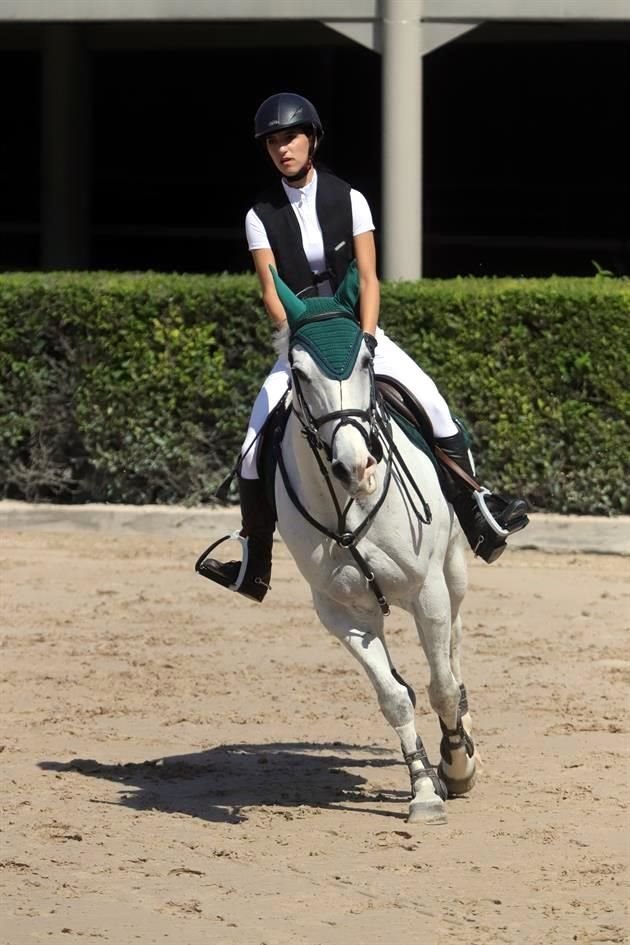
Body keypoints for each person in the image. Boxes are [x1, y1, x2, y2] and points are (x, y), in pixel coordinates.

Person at [198, 92, 529, 602]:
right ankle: (254, 562)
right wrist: (299, 338)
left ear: (312, 139)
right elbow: (270, 290)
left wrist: (368, 338)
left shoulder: (349, 198)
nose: (281, 149)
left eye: (290, 137)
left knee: (434, 406)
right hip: (303, 340)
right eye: (272, 142)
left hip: (358, 331)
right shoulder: (258, 214)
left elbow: (370, 278)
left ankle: (479, 511)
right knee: (250, 447)